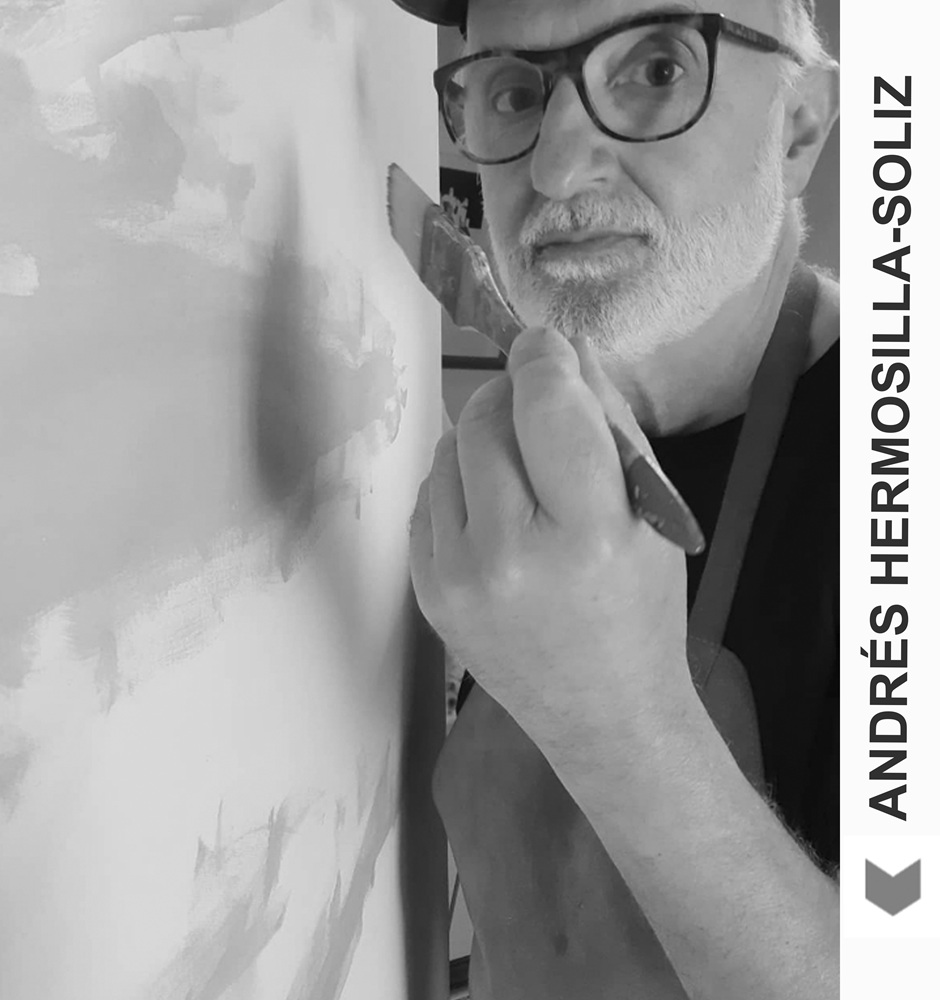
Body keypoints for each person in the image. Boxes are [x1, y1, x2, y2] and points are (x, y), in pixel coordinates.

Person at [395, 1, 840, 998]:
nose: (554, 171)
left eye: (656, 70)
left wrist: (619, 719)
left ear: (799, 127)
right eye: (515, 91)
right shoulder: (522, 449)